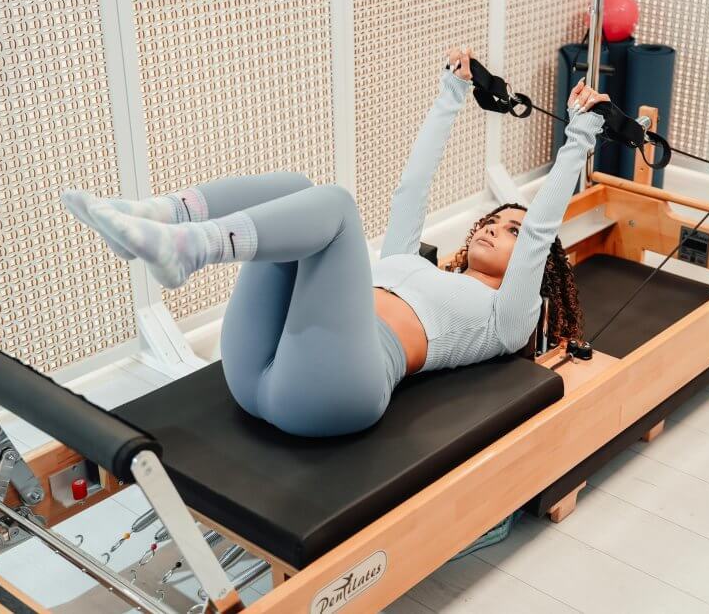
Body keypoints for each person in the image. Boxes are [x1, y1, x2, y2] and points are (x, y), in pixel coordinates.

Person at [62, 46, 605, 438]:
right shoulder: (409, 263)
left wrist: (581, 135)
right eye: (493, 219)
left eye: (510, 232)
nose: (492, 227)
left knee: (338, 207)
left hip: (339, 390)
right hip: (256, 369)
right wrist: (452, 93)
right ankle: (163, 214)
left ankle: (191, 247)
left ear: (534, 269)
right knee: (299, 189)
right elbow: (411, 190)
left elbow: (540, 230)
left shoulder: (505, 318)